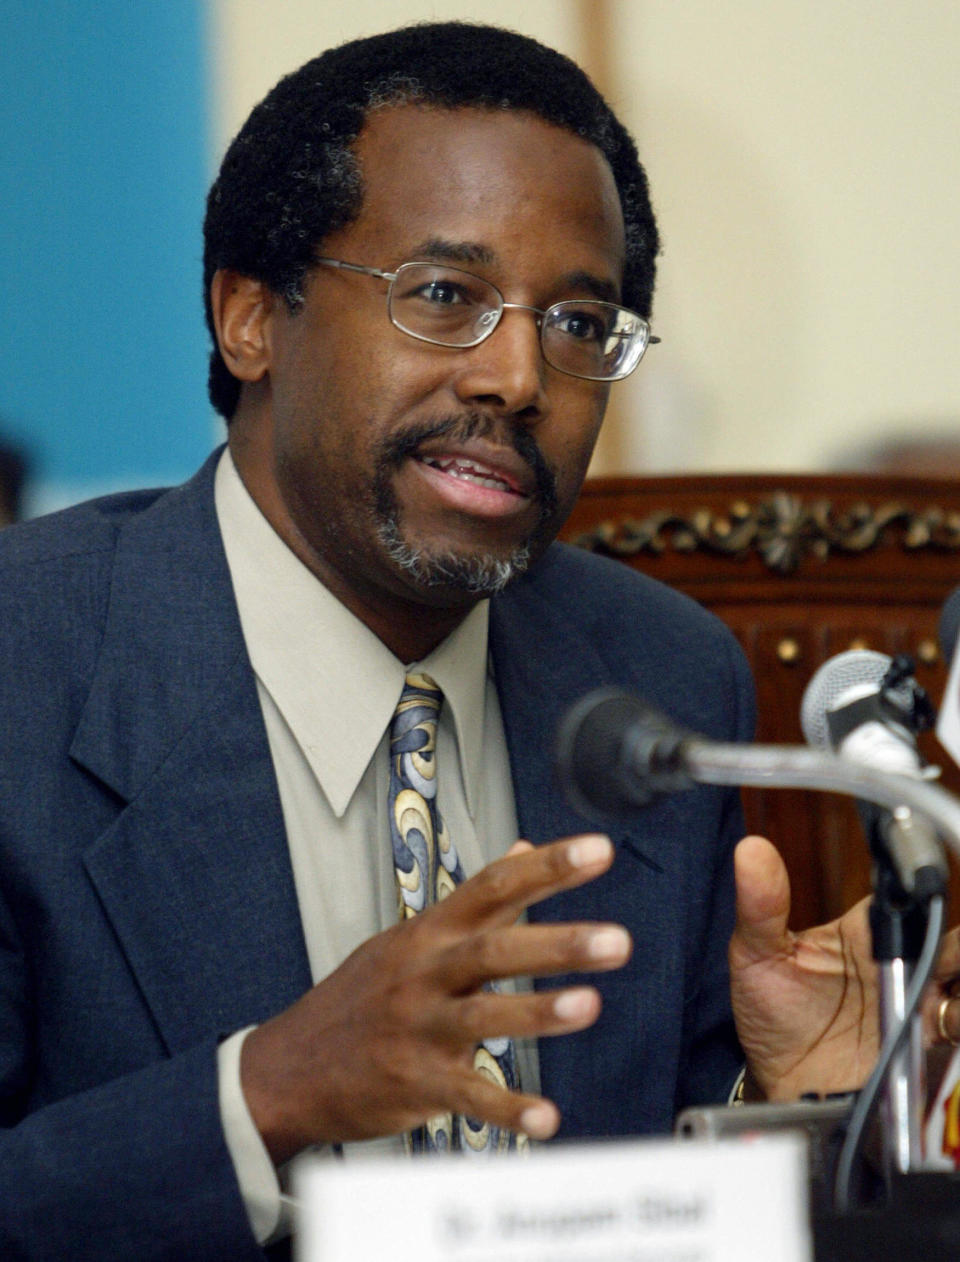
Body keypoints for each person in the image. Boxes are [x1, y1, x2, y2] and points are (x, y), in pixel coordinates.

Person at [1, 21, 959, 1261]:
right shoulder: (28, 660)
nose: (519, 375)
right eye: (444, 295)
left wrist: (810, 1108)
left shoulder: (656, 676)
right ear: (249, 317)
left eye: (578, 322)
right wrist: (264, 1091)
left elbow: (661, 1203)